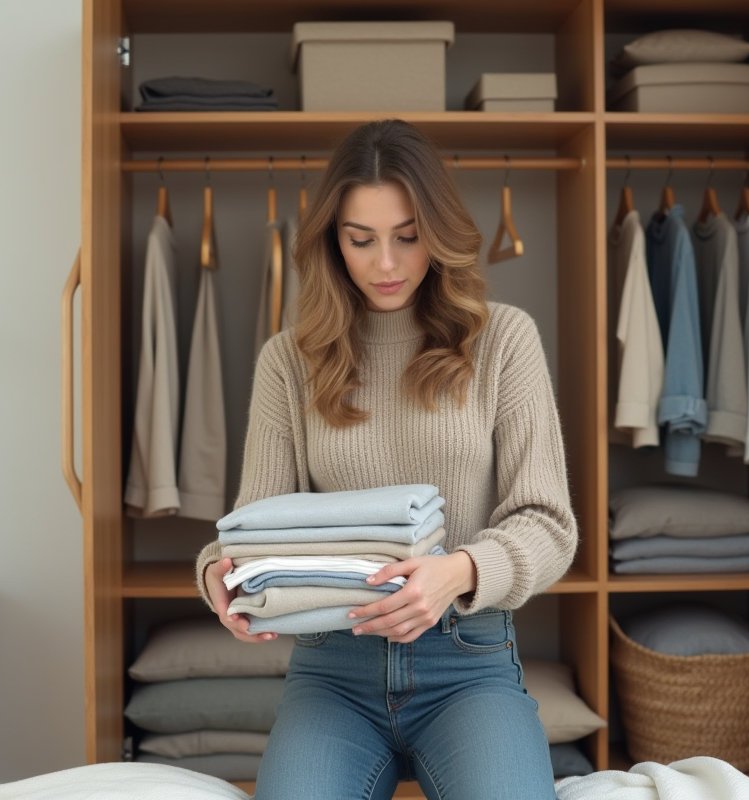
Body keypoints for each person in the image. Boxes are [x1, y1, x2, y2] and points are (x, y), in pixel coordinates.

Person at [196, 118, 577, 800]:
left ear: (439, 231)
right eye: (361, 239)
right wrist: (217, 576)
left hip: (467, 663)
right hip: (332, 672)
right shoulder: (289, 361)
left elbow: (548, 523)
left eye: (408, 235)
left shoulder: (503, 341)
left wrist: (457, 572)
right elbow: (253, 529)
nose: (387, 264)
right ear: (332, 240)